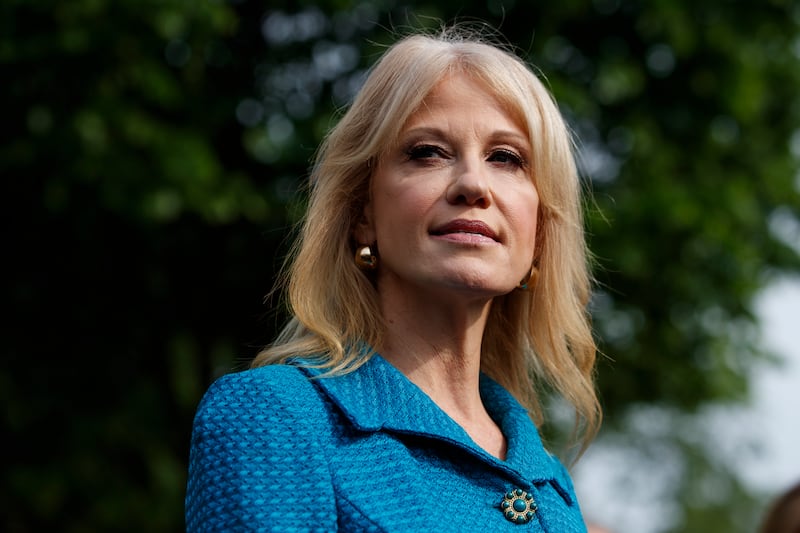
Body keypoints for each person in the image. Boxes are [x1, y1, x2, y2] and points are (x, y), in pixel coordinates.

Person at [185, 23, 601, 532]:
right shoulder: (274, 419)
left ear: (538, 232)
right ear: (363, 213)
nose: (473, 183)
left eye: (506, 158)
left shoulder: (552, 484)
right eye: (427, 152)